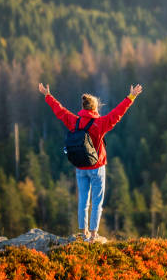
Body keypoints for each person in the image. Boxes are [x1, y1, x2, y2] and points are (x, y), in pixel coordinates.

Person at [38, 82, 143, 243]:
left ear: (84, 107)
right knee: (97, 202)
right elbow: (117, 113)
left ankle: (84, 231)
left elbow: (60, 111)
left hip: (80, 167)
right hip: (97, 167)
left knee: (83, 200)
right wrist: (131, 97)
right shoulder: (100, 124)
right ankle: (93, 235)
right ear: (95, 109)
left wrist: (48, 95)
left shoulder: (75, 121)